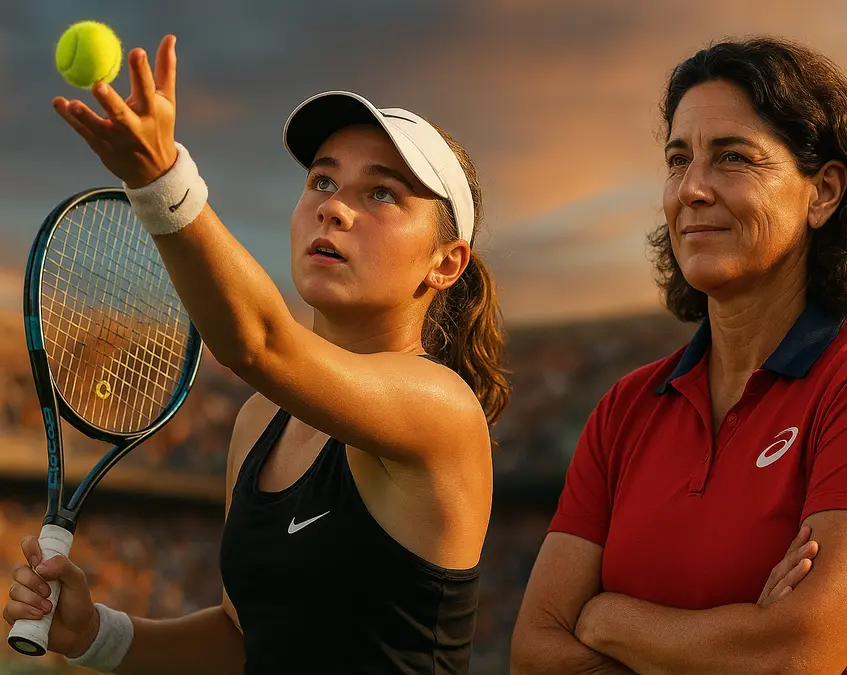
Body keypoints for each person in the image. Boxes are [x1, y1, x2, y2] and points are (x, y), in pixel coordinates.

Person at [3, 34, 508, 674]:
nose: (333, 207)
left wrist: (162, 181)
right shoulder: (258, 421)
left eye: (381, 193)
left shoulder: (441, 410)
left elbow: (261, 343)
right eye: (323, 179)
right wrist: (94, 633)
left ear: (445, 263)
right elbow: (242, 641)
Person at [510, 36, 847, 675]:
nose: (692, 188)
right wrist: (738, 639)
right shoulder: (625, 408)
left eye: (733, 158)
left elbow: (795, 651)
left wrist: (606, 618)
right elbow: (535, 651)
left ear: (824, 192)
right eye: (678, 159)